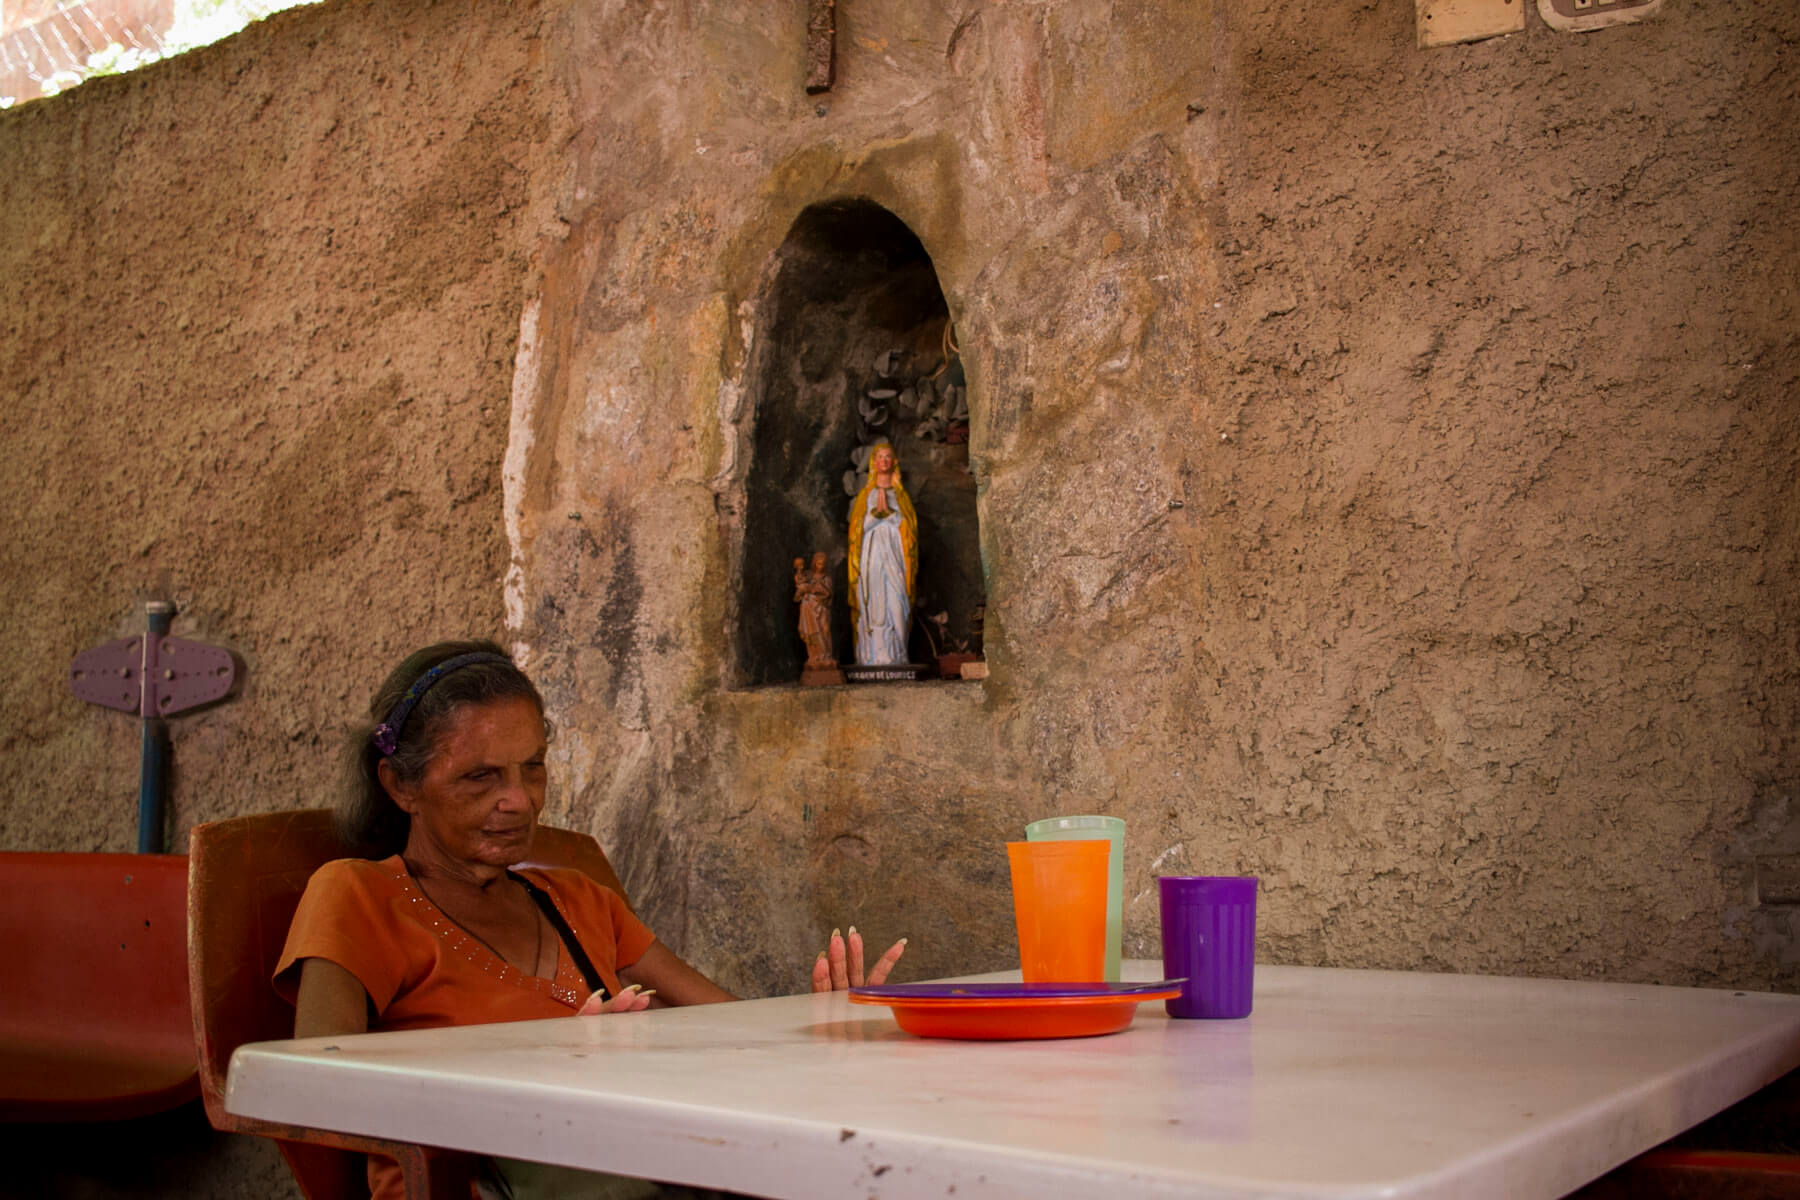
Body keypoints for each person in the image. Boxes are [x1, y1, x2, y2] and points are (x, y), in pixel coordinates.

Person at [275, 641, 903, 1200]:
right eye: (480, 776)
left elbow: (725, 1024)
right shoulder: (358, 894)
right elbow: (317, 1090)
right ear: (399, 785)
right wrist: (545, 1065)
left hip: (626, 1164)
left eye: (534, 767)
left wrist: (821, 1029)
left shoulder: (578, 898)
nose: (519, 798)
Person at [846, 441, 918, 665]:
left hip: (896, 555)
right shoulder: (865, 497)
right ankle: (870, 656)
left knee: (897, 598)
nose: (884, 461)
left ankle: (898, 652)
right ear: (874, 463)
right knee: (873, 601)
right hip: (871, 555)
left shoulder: (901, 497)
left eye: (888, 457)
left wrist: (891, 516)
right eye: (881, 457)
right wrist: (875, 516)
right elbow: (856, 532)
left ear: (893, 462)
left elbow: (910, 533)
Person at [793, 551, 836, 667]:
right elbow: (799, 586)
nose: (820, 566)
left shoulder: (827, 578)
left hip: (822, 609)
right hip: (810, 610)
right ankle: (814, 657)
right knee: (812, 632)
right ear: (814, 564)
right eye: (818, 564)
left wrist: (813, 589)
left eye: (822, 564)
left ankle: (826, 656)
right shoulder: (808, 576)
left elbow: (828, 593)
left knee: (825, 631)